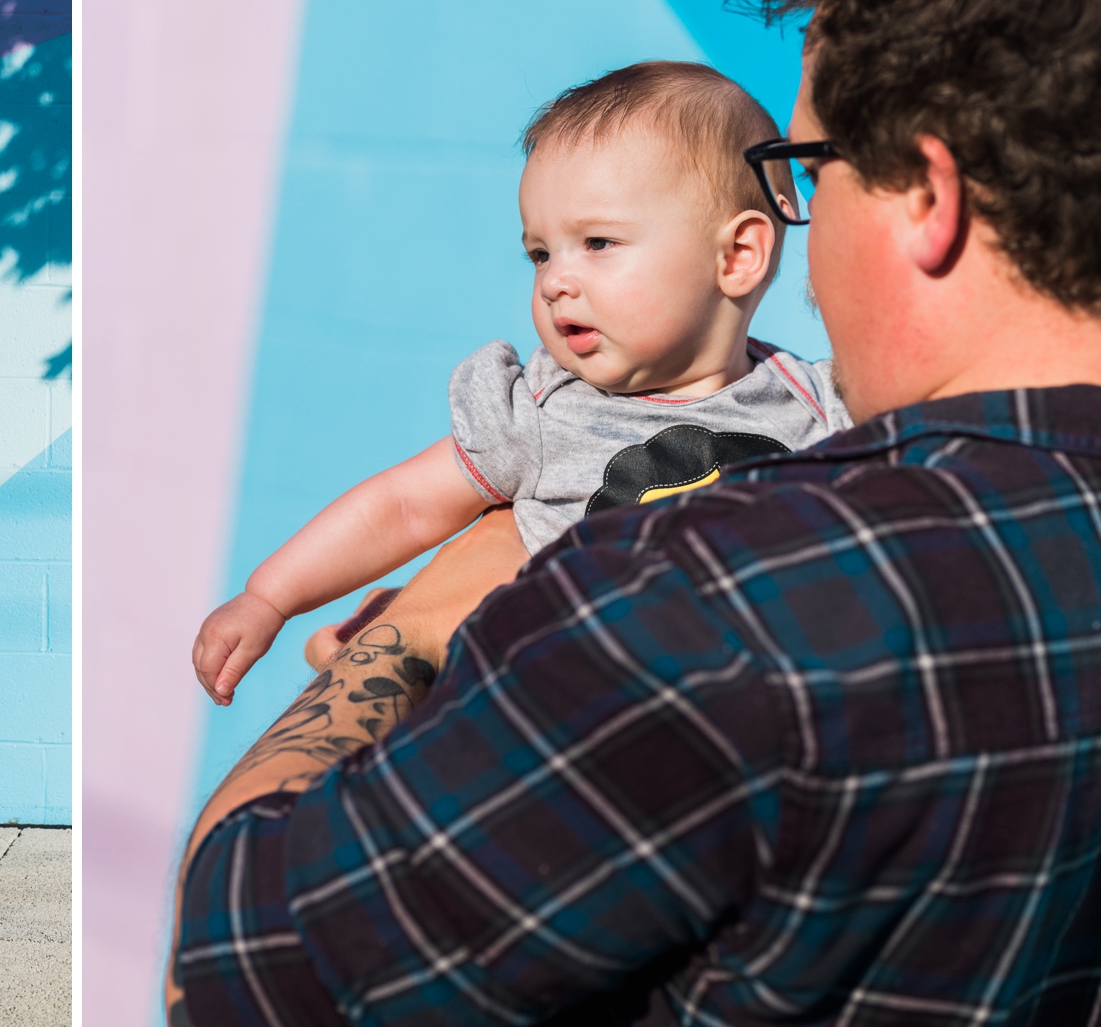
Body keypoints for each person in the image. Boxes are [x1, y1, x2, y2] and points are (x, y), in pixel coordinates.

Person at [172, 0, 1101, 1022]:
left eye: (808, 168)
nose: (805, 222)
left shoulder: (712, 611)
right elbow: (409, 493)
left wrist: (401, 636)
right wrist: (271, 591)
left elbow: (242, 970)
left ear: (924, 196)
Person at [191, 62, 847, 709]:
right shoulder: (539, 411)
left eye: (598, 242)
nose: (555, 279)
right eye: (541, 252)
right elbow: (404, 505)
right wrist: (270, 596)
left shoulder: (819, 406)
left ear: (736, 256)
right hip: (566, 717)